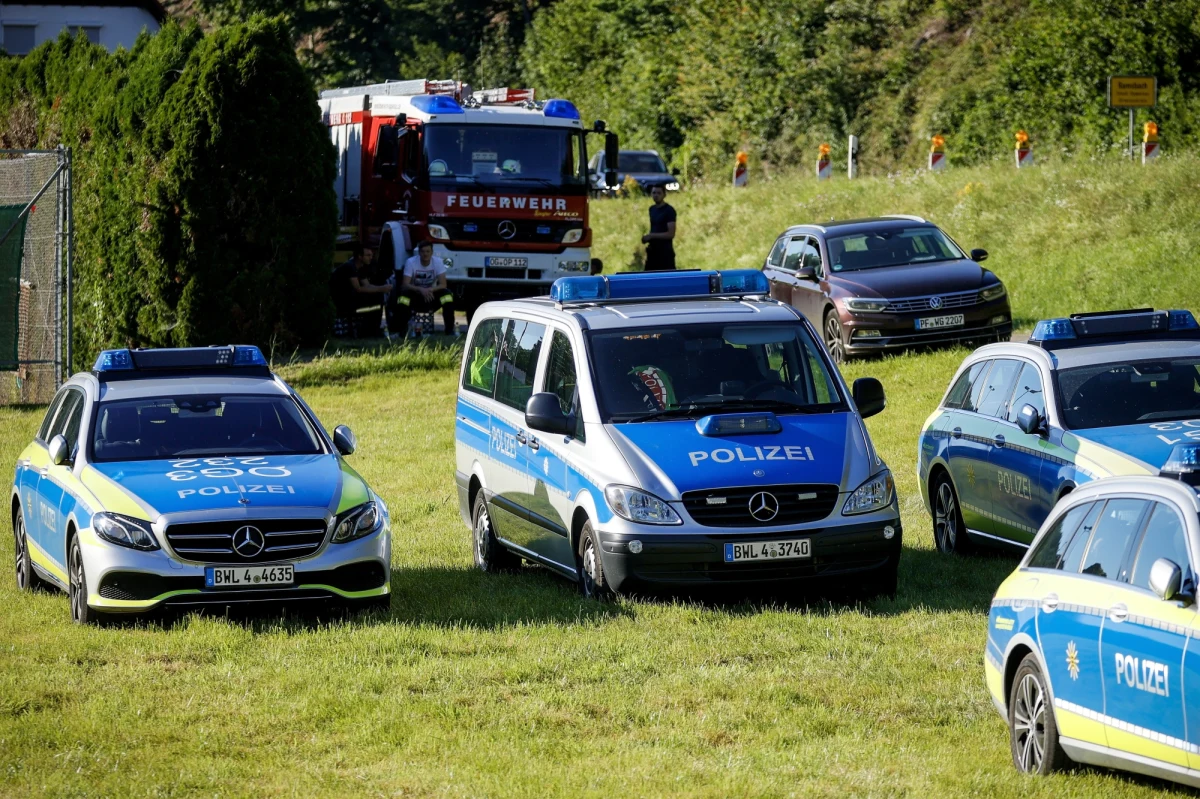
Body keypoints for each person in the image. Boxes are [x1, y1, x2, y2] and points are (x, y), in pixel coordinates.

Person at [390, 240, 457, 337]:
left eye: (428, 251)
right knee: (403, 297)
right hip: (415, 295)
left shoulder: (438, 262)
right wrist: (420, 289)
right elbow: (405, 284)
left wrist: (430, 290)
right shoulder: (411, 262)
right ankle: (400, 331)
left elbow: (443, 284)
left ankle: (449, 331)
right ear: (419, 252)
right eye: (423, 251)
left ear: (432, 252)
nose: (425, 254)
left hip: (431, 295)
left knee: (447, 296)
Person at [330, 244, 390, 336]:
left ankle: (374, 330)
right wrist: (381, 289)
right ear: (360, 256)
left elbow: (367, 285)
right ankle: (371, 331)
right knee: (375, 301)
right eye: (368, 255)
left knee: (377, 298)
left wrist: (383, 288)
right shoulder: (350, 267)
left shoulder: (361, 268)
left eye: (371, 255)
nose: (371, 258)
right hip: (342, 300)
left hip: (351, 297)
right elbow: (358, 288)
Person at [641, 185, 676, 271]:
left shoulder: (669, 210)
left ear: (664, 195)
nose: (656, 195)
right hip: (653, 251)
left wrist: (652, 236)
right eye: (654, 193)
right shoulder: (652, 209)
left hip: (665, 253)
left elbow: (671, 234)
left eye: (659, 193)